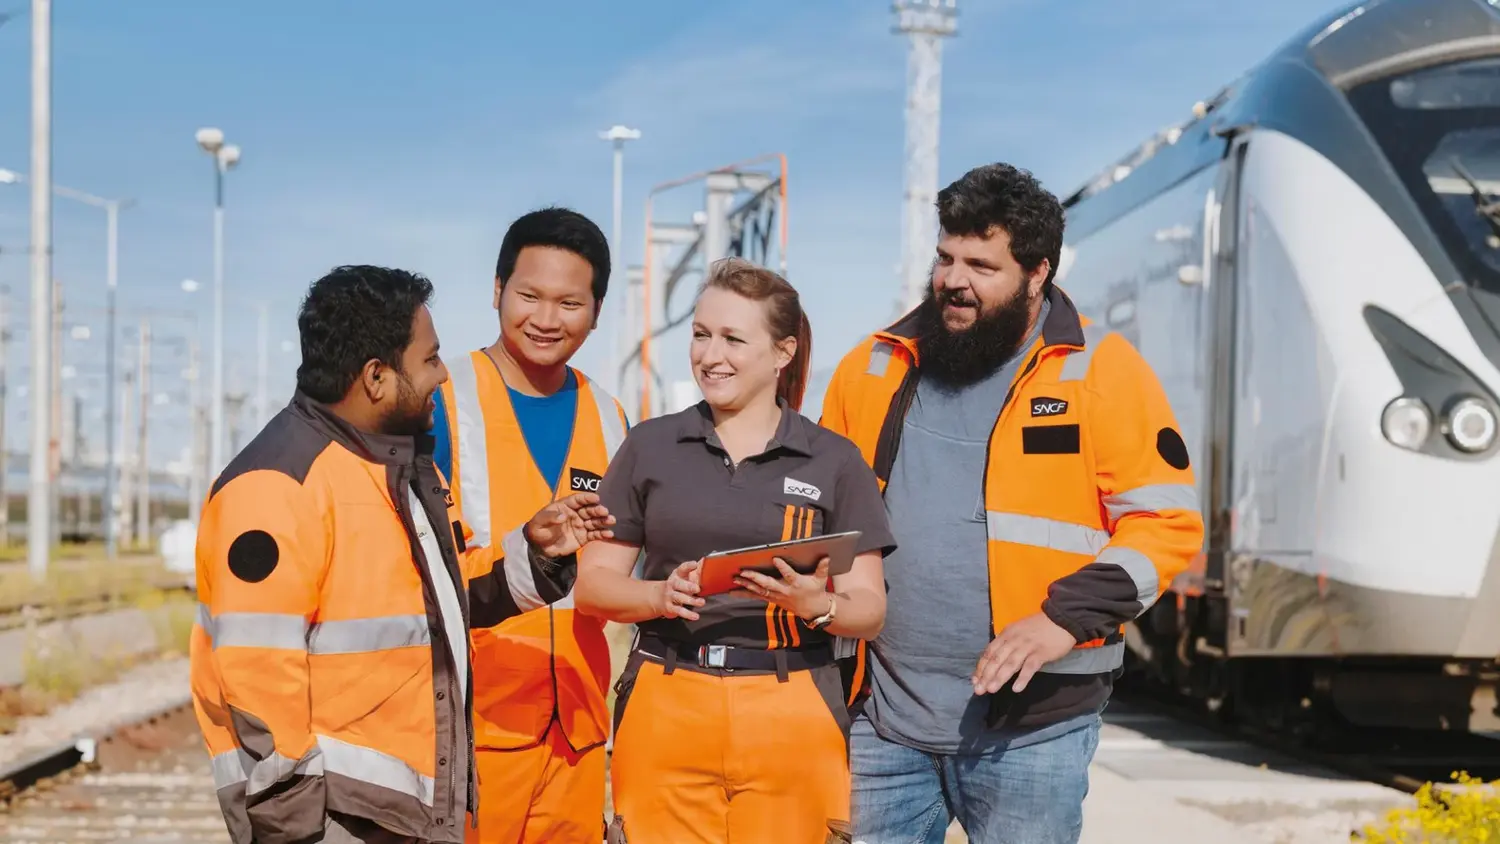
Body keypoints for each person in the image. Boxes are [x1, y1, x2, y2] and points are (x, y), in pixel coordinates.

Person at [819, 163, 1204, 844]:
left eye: (981, 266)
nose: (953, 280)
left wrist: (1062, 619)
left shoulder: (1101, 371)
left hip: (1033, 733)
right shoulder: (874, 366)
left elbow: (1166, 525)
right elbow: (822, 516)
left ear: (1037, 273)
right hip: (880, 722)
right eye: (946, 257)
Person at [189, 265, 617, 844]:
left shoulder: (393, 469)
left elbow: (442, 599)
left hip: (398, 814)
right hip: (336, 820)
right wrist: (294, 829)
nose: (443, 374)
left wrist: (533, 555)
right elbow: (255, 680)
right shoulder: (276, 486)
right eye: (430, 359)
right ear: (376, 377)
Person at [572, 257, 898, 844]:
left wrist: (815, 604)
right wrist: (658, 595)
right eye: (701, 334)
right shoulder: (649, 445)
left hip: (793, 704)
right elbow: (593, 587)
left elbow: (869, 609)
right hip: (666, 699)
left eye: (732, 339)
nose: (710, 354)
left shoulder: (834, 460)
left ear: (783, 352)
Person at [427, 207, 627, 844]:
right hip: (468, 734)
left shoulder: (610, 416)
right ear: (497, 291)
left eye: (570, 303)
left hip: (577, 734)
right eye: (529, 296)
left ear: (596, 311)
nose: (546, 319)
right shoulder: (440, 400)